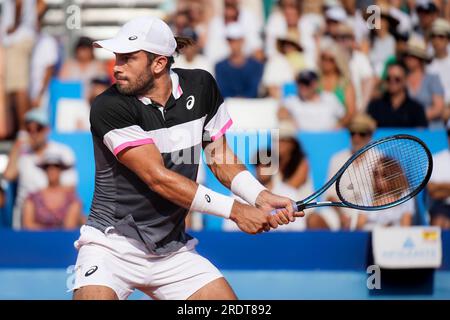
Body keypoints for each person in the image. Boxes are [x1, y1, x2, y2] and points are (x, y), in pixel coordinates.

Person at [73, 16, 303, 301]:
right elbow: (157, 178)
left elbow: (218, 155)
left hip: (172, 251)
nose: (117, 67)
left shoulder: (202, 86)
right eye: (116, 57)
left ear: (159, 64)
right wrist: (237, 210)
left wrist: (258, 195)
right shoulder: (109, 106)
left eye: (128, 58)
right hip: (111, 245)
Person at [2, 109, 78, 229]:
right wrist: (17, 146)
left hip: (56, 220)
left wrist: (39, 202)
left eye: (38, 128)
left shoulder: (63, 152)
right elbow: (8, 176)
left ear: (47, 129)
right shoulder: (22, 154)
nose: (34, 133)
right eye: (29, 129)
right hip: (25, 221)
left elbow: (70, 187)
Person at [322, 113, 377, 230]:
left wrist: (364, 216)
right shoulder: (337, 158)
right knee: (315, 220)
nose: (356, 138)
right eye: (353, 133)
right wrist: (342, 215)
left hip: (370, 213)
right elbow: (329, 195)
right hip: (340, 211)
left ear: (370, 135)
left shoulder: (380, 159)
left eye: (361, 133)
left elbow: (384, 195)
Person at [22, 152, 82, 230]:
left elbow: (69, 226)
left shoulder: (72, 198)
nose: (52, 170)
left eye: (56, 166)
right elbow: (28, 225)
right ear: (44, 170)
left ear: (61, 170)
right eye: (48, 167)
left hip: (63, 240)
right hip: (36, 240)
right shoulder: (32, 197)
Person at [355, 156, 414, 230]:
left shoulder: (405, 195)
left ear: (393, 175)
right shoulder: (368, 195)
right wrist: (376, 205)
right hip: (370, 237)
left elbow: (406, 226)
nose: (379, 179)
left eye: (384, 175)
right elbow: (359, 226)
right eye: (376, 174)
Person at [278, 70, 346, 131]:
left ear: (315, 84)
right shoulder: (292, 100)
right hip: (303, 139)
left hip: (328, 137)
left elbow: (343, 116)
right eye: (300, 83)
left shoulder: (330, 98)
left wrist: (339, 125)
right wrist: (290, 120)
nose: (303, 86)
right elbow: (281, 113)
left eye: (306, 83)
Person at [368, 62, 428, 128]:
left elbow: (422, 135)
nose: (392, 81)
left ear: (405, 80)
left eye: (397, 79)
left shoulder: (416, 109)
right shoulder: (375, 107)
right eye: (388, 78)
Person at [215, 23, 264, 99]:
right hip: (229, 107)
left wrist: (240, 100)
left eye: (237, 40)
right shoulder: (220, 67)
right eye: (231, 41)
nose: (234, 44)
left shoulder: (256, 66)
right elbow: (223, 90)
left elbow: (253, 90)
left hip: (252, 108)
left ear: (242, 41)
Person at [404, 36, 445, 127]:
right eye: (407, 55)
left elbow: (438, 108)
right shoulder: (402, 80)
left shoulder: (432, 79)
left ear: (420, 59)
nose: (408, 59)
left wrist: (416, 118)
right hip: (410, 132)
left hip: (432, 130)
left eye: (412, 56)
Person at [427, 120, 450, 229]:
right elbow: (432, 191)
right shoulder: (436, 159)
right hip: (442, 206)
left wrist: (441, 187)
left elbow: (436, 189)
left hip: (443, 203)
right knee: (440, 222)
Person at [427, 19, 450, 119]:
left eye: (441, 36)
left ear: (447, 40)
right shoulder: (426, 64)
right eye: (433, 36)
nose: (436, 40)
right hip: (432, 111)